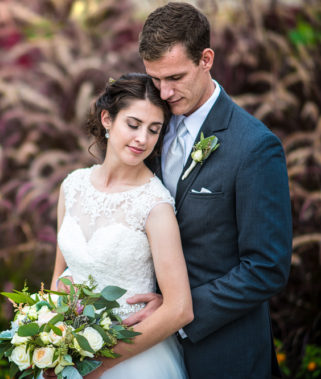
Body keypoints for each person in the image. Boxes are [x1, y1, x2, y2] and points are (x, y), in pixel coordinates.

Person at [120, 2, 292, 378]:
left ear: (206, 59)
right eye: (155, 79)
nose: (163, 93)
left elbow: (266, 269)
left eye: (175, 77)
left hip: (224, 354)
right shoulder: (151, 128)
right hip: (150, 353)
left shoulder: (254, 147)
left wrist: (175, 311)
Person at [49, 73, 193, 379]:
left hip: (132, 360)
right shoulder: (72, 187)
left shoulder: (155, 205)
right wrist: (49, 341)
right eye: (133, 124)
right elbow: (58, 280)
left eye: (154, 130)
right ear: (107, 119)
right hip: (67, 354)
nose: (143, 138)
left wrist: (100, 364)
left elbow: (179, 308)